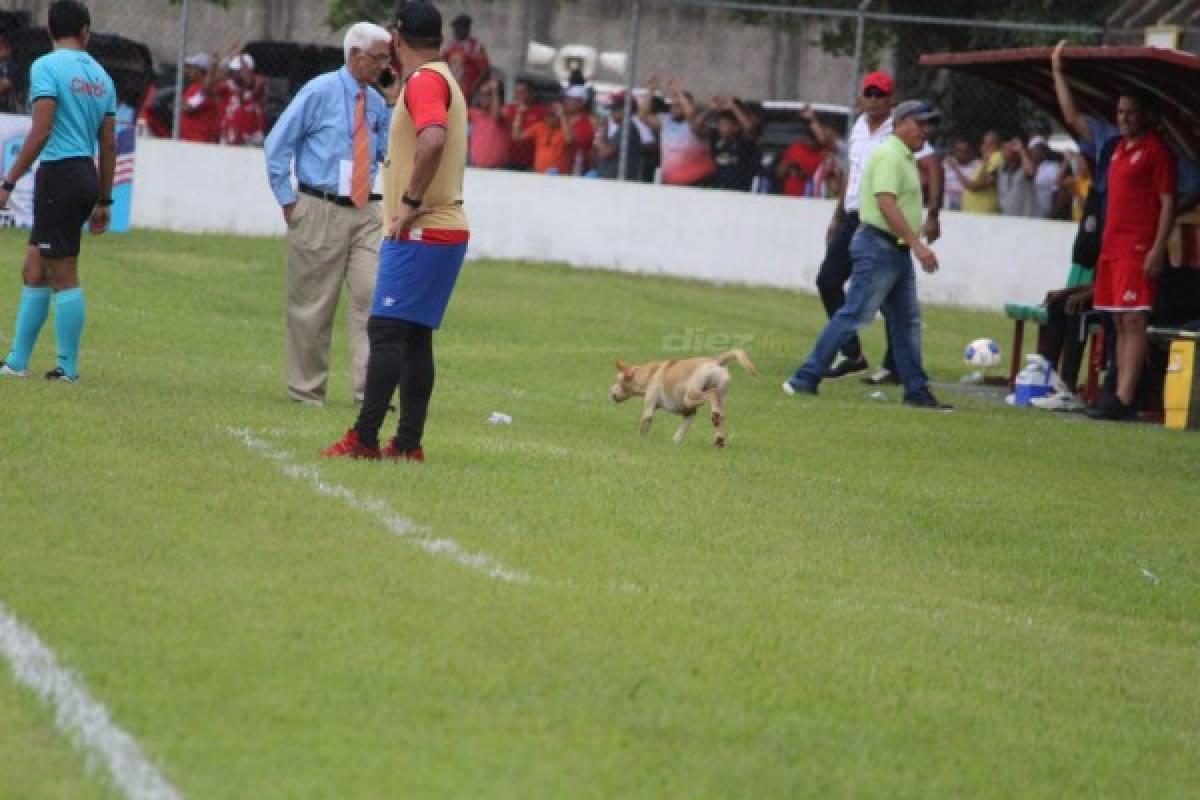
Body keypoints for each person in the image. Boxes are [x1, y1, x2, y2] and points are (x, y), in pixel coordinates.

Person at [322, 2, 470, 462]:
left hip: (423, 227)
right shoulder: (441, 79)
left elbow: (432, 138)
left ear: (398, 37)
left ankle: (364, 439)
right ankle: (407, 444)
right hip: (447, 229)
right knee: (414, 337)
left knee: (385, 331)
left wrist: (407, 203)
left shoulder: (425, 82)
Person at [783, 101, 949, 410]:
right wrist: (917, 243)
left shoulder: (903, 156)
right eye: (921, 124)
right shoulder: (889, 155)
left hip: (892, 248)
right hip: (880, 246)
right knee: (855, 314)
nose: (926, 131)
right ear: (900, 123)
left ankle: (916, 390)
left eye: (930, 125)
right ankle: (804, 377)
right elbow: (886, 203)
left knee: (906, 321)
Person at [264, 22, 391, 406]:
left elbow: (382, 151)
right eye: (380, 57)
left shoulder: (378, 104)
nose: (385, 66)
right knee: (313, 305)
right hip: (319, 205)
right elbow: (277, 144)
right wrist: (289, 200)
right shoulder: (319, 91)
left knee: (373, 294)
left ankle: (371, 392)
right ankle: (307, 391)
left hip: (367, 210)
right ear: (355, 55)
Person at [1052, 41, 1177, 421]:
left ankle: (1124, 397)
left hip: (1139, 247)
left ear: (1146, 117)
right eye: (1120, 112)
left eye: (1131, 114)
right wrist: (1058, 71)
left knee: (1135, 319)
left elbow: (1169, 203)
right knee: (1118, 320)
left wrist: (1157, 249)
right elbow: (1074, 118)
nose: (1124, 119)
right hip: (1111, 248)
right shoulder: (1116, 148)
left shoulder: (1156, 152)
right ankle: (1117, 394)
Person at [0, 1, 115, 383]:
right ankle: (16, 362)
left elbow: (42, 130)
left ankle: (67, 368)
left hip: (60, 175)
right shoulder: (102, 76)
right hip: (84, 173)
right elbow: (109, 144)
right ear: (85, 31)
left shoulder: (46, 67)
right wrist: (103, 199)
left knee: (62, 273)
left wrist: (8, 181)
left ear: (51, 31)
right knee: (33, 267)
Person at [814, 71, 941, 384]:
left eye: (879, 94)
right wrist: (837, 214)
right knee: (828, 281)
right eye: (867, 94)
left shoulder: (902, 128)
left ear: (890, 99)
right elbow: (851, 173)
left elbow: (932, 167)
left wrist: (934, 213)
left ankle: (893, 365)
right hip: (854, 214)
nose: (872, 100)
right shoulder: (858, 126)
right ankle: (853, 353)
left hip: (883, 217)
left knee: (888, 295)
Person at [637, 76, 714, 187]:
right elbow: (643, 116)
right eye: (672, 106)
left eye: (678, 106)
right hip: (670, 183)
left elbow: (691, 115)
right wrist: (650, 90)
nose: (673, 108)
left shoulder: (697, 125)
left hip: (697, 183)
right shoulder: (665, 121)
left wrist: (678, 92)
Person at [777, 107, 834, 197]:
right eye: (809, 136)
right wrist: (788, 167)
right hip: (789, 197)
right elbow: (779, 173)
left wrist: (805, 174)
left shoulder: (825, 154)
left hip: (811, 198)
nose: (811, 140)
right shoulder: (796, 148)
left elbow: (829, 180)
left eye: (814, 137)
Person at [594, 91, 648, 181]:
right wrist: (604, 128)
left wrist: (599, 139)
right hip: (612, 182)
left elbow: (606, 152)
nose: (612, 112)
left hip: (621, 184)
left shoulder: (628, 128)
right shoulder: (622, 128)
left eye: (615, 108)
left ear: (626, 109)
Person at [512, 99, 573, 175]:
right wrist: (520, 114)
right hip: (539, 174)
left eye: (553, 115)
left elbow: (569, 140)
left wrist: (562, 115)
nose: (550, 118)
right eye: (548, 115)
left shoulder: (566, 129)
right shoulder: (539, 127)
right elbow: (516, 136)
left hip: (560, 176)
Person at [219, 53, 267, 147]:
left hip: (252, 136)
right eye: (233, 71)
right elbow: (213, 87)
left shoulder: (259, 82)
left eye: (237, 71)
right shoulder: (228, 84)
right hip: (230, 134)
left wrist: (244, 66)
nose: (233, 74)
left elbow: (253, 84)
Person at [708, 102, 757, 192]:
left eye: (725, 124)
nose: (720, 128)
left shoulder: (743, 140)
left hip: (740, 189)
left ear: (736, 127)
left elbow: (749, 127)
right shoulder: (715, 139)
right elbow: (696, 125)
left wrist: (733, 107)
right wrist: (710, 110)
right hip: (718, 187)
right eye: (719, 124)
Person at [951, 131, 1002, 214]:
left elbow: (973, 186)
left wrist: (955, 168)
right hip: (976, 212)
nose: (982, 146)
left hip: (984, 213)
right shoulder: (988, 159)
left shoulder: (997, 157)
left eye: (984, 142)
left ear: (991, 144)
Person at [466, 72, 510, 168]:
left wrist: (495, 90)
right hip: (476, 168)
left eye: (488, 94)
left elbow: (495, 115)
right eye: (482, 94)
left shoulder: (505, 111)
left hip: (498, 170)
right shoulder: (475, 114)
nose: (483, 98)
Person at [442, 13, 488, 101]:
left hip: (468, 93)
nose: (455, 31)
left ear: (466, 29)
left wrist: (472, 89)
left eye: (458, 28)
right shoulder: (451, 45)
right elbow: (443, 62)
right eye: (454, 28)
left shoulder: (475, 47)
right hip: (451, 91)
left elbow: (484, 71)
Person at [178, 52, 222, 143]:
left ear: (200, 70)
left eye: (192, 68)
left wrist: (213, 67)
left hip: (200, 141)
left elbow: (188, 108)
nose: (189, 70)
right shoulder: (193, 87)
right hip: (187, 139)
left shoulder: (210, 89)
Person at [502, 78, 543, 170]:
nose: (518, 95)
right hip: (509, 159)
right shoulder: (509, 109)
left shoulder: (540, 111)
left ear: (531, 94)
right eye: (517, 92)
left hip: (530, 161)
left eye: (522, 92)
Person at [996, 137, 1038, 217]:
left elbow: (1031, 171)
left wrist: (1021, 150)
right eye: (1004, 149)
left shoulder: (1023, 169)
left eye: (1010, 149)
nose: (1005, 152)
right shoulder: (1001, 169)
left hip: (1025, 218)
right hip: (1007, 217)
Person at [562, 84, 595, 176]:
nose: (567, 102)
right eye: (567, 98)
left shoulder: (587, 123)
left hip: (576, 170)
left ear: (581, 103)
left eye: (571, 99)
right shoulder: (559, 119)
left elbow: (571, 142)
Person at [941, 136, 979, 211]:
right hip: (946, 204)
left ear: (971, 151)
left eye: (964, 151)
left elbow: (971, 186)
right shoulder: (946, 163)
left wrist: (956, 168)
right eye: (958, 151)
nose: (960, 154)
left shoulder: (978, 165)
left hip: (967, 204)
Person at [0, 33, 17, 113]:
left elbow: (5, 84)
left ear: (9, 50)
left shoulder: (11, 65)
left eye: (1, 48)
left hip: (7, 106)